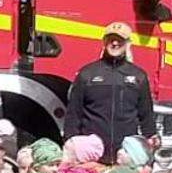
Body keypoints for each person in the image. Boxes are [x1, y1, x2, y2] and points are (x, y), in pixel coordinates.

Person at [64, 22, 157, 159]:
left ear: (127, 43)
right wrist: (70, 144)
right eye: (111, 39)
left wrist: (150, 138)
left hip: (126, 154)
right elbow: (74, 114)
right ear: (104, 42)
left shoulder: (138, 76)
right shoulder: (86, 74)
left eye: (119, 39)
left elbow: (146, 115)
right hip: (93, 155)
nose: (114, 43)